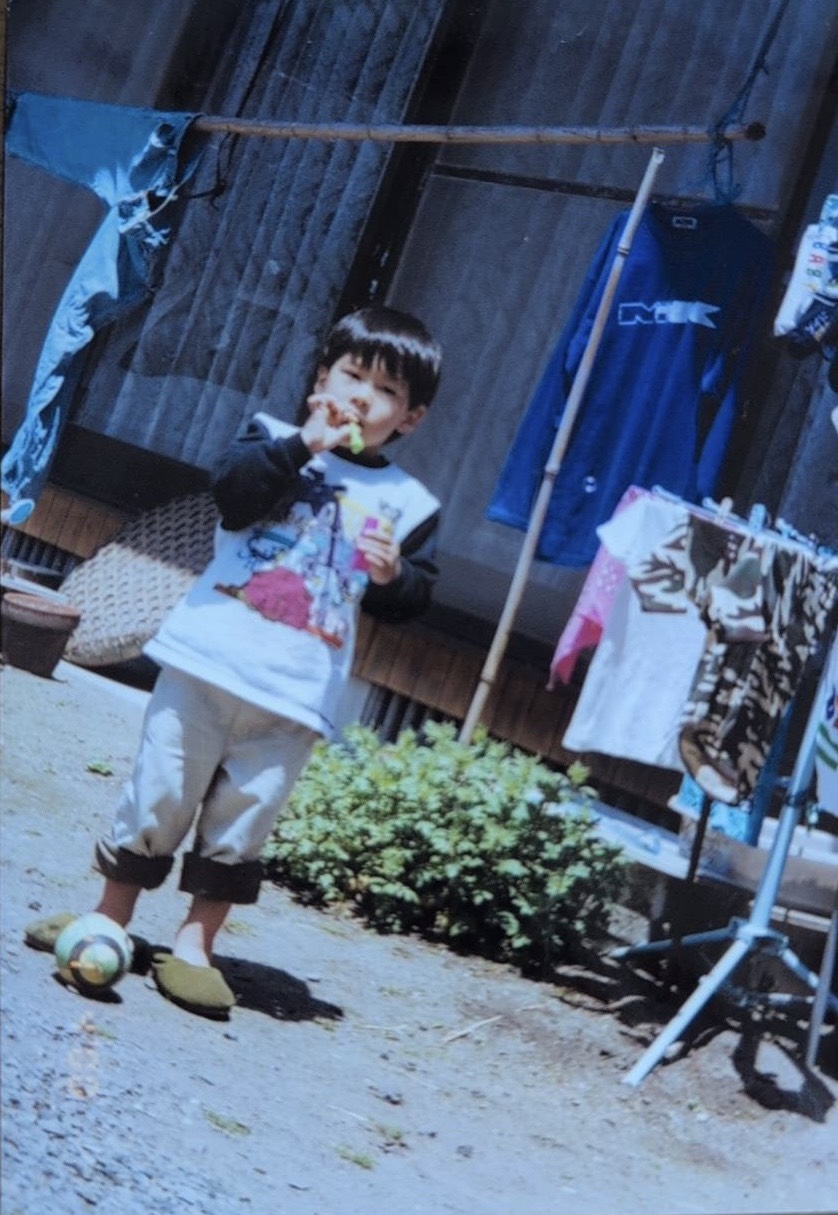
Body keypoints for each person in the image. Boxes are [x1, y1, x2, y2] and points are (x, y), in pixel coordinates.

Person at [25, 305, 442, 1019]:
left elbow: (412, 601)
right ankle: (109, 916)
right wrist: (305, 444)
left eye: (386, 391)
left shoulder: (409, 502)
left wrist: (392, 574)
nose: (362, 398)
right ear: (321, 379)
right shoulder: (271, 437)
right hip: (205, 661)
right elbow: (235, 497)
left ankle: (195, 945)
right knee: (159, 791)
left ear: (410, 417)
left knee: (244, 817)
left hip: (294, 694)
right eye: (352, 376)